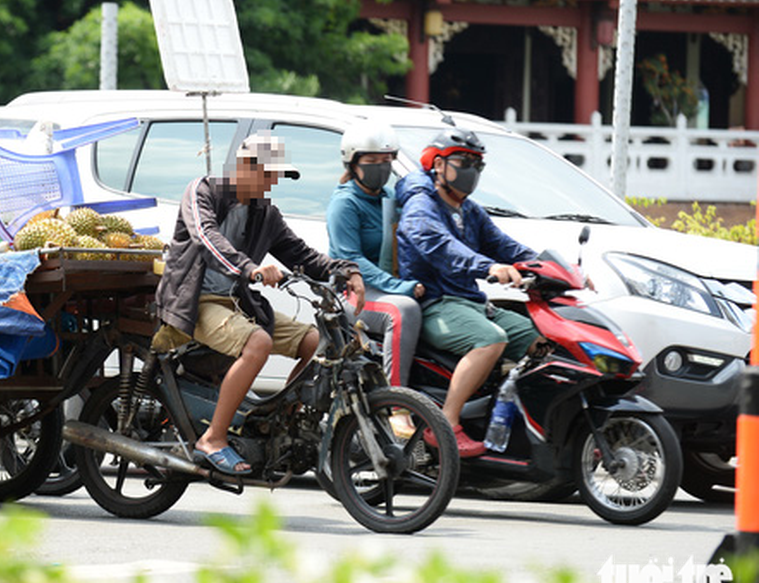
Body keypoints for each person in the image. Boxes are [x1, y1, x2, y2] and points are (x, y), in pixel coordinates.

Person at [155, 132, 364, 476]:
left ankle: (284, 421)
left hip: (237, 303)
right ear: (244, 166)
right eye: (268, 175)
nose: (271, 185)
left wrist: (346, 270)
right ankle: (213, 438)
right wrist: (250, 268)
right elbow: (207, 237)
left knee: (317, 342)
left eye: (275, 178)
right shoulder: (202, 191)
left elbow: (301, 254)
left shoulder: (265, 213)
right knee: (259, 343)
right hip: (194, 302)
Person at [396, 128, 542, 458]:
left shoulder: (469, 210)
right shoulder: (422, 207)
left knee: (541, 341)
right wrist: (487, 267)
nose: (470, 170)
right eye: (462, 161)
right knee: (491, 339)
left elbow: (505, 246)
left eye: (477, 164)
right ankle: (445, 425)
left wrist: (549, 268)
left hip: (473, 303)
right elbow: (441, 248)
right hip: (436, 303)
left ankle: (525, 425)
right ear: (437, 165)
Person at [326, 123, 424, 388]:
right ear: (353, 163)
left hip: (387, 286)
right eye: (371, 161)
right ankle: (398, 401)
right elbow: (351, 261)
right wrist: (401, 287)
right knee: (402, 311)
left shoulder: (391, 198)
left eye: (386, 160)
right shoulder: (345, 204)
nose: (381, 167)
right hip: (353, 293)